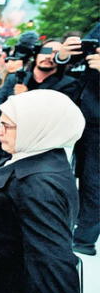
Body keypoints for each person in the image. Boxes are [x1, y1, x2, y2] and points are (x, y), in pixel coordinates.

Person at [0, 90, 84, 293]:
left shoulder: (41, 185)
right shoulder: (32, 154)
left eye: (6, 126)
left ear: (37, 126)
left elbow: (52, 258)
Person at [0, 39, 80, 183]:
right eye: (46, 51)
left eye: (55, 54)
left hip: (28, 151)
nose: (49, 57)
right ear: (36, 53)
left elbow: (51, 120)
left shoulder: (67, 85)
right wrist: (15, 98)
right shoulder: (17, 77)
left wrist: (25, 98)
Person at [55, 24, 100, 255]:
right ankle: (71, 224)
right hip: (79, 116)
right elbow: (76, 56)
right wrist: (63, 54)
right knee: (70, 172)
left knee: (94, 181)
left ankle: (84, 239)